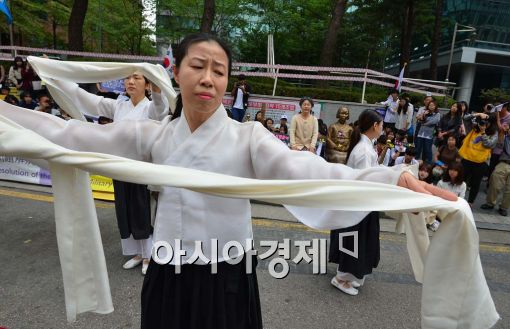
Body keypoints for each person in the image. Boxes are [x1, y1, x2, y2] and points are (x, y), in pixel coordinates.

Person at [0, 33, 456, 329]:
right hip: (168, 269)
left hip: (226, 273)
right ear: (175, 72)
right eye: (197, 66)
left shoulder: (249, 136)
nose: (208, 78)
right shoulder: (152, 134)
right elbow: (70, 135)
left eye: (219, 71)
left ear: (227, 83)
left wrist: (391, 177)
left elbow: (310, 172)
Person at [46, 71, 169, 275]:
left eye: (137, 78)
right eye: (128, 78)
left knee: (143, 210)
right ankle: (137, 253)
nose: (130, 81)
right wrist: (57, 75)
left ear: (147, 84)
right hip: (119, 164)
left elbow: (161, 110)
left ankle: (149, 254)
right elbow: (86, 99)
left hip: (142, 167)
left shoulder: (150, 107)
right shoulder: (118, 105)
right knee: (125, 210)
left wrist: (157, 92)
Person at [329, 109, 384, 296]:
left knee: (358, 242)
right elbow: (366, 180)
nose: (382, 128)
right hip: (360, 204)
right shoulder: (364, 150)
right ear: (375, 126)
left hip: (361, 203)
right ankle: (342, 278)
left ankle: (352, 276)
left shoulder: (367, 146)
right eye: (381, 124)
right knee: (355, 242)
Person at [458, 116, 497, 206]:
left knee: (475, 183)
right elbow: (464, 119)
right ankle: (458, 199)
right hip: (467, 159)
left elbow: (489, 144)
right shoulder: (474, 128)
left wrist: (483, 132)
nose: (483, 124)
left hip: (481, 162)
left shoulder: (493, 133)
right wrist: (477, 114)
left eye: (486, 122)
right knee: (461, 180)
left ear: (490, 124)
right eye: (482, 122)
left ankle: (470, 203)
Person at [481, 119, 510, 216]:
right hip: (504, 162)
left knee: (509, 190)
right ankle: (490, 203)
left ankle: (504, 207)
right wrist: (503, 131)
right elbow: (499, 143)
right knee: (494, 182)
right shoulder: (505, 136)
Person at [415, 99, 440, 164]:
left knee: (427, 149)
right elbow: (420, 120)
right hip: (421, 133)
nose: (431, 106)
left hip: (429, 134)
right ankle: (415, 161)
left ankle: (428, 163)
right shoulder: (425, 112)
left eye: (433, 105)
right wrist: (423, 114)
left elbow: (434, 121)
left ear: (435, 106)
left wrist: (424, 123)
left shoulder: (437, 114)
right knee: (418, 148)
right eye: (430, 105)